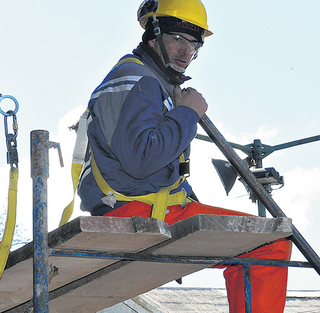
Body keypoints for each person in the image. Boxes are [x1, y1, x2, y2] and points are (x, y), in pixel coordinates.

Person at [77, 0, 292, 312]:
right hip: (140, 210)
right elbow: (141, 161)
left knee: (262, 239)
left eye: (194, 44)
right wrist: (185, 114)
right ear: (153, 33)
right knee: (269, 244)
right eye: (178, 39)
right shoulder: (141, 82)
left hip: (138, 205)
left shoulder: (143, 80)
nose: (186, 51)